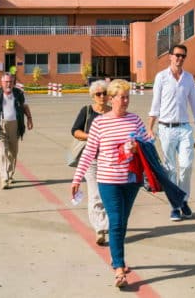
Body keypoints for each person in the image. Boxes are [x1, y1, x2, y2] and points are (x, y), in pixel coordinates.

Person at [70, 80, 153, 289]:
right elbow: (89, 151)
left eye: (127, 97)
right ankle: (118, 267)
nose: (125, 101)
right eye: (121, 97)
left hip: (131, 181)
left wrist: (140, 146)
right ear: (112, 98)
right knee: (115, 222)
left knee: (122, 222)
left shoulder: (134, 120)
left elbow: (148, 144)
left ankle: (119, 258)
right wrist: (77, 178)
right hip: (108, 180)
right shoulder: (99, 123)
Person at [148, 43, 195, 221]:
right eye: (177, 55)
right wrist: (150, 128)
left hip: (184, 128)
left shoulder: (188, 78)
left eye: (183, 56)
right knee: (171, 169)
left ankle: (184, 199)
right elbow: (155, 104)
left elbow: (194, 105)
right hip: (165, 128)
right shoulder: (161, 77)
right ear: (170, 56)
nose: (180, 59)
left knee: (186, 166)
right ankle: (175, 205)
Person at [70, 79, 111, 245]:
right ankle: (100, 229)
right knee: (95, 194)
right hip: (91, 159)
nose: (102, 96)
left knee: (108, 194)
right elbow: (75, 131)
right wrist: (91, 136)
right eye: (98, 94)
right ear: (93, 96)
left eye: (105, 93)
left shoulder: (113, 112)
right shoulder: (86, 111)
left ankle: (105, 223)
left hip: (110, 160)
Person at [0, 73, 33, 189]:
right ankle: (4, 178)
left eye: (11, 82)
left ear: (14, 82)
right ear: (2, 82)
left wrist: (29, 119)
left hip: (15, 125)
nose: (8, 84)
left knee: (13, 153)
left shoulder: (19, 94)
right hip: (0, 125)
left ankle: (9, 174)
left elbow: (25, 107)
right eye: (6, 82)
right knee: (3, 151)